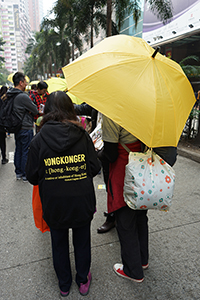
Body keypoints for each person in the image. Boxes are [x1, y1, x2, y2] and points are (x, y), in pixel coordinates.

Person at [25, 91, 100, 297]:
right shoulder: (83, 135)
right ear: (70, 109)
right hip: (81, 199)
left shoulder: (39, 139)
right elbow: (94, 167)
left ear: (47, 110)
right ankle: (83, 280)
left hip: (53, 202)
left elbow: (31, 175)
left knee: (58, 243)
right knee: (82, 240)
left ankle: (64, 284)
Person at [98, 115, 176, 283]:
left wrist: (97, 152)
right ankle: (142, 260)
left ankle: (133, 271)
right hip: (143, 169)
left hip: (124, 169)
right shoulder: (146, 107)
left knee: (125, 222)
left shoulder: (113, 111)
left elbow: (110, 154)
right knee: (140, 216)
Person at [74, 103, 115, 233]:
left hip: (114, 151)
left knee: (114, 185)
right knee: (109, 184)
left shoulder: (117, 106)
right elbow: (81, 108)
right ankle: (113, 211)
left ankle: (114, 216)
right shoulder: (97, 102)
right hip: (101, 147)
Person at [8, 72, 38, 181]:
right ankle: (25, 174)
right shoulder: (22, 96)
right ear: (21, 83)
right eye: (25, 82)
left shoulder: (10, 93)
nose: (26, 84)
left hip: (16, 127)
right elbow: (35, 110)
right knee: (26, 150)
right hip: (25, 127)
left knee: (19, 150)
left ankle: (18, 173)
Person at [0, 86, 9, 164]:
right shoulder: (1, 101)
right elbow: (3, 113)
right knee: (2, 142)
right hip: (0, 126)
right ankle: (3, 158)